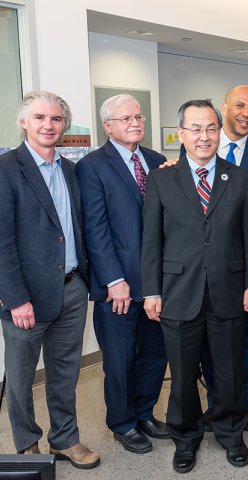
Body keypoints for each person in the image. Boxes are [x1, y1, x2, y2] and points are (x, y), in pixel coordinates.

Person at [141, 100, 248, 472]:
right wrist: (152, 290)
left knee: (228, 372)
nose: (204, 136)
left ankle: (230, 434)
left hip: (228, 290)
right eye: (195, 128)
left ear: (219, 129)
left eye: (211, 127)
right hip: (178, 293)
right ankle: (186, 438)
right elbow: (151, 241)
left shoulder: (240, 177)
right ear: (181, 133)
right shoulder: (162, 178)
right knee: (181, 376)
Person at [0, 91, 99, 468]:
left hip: (73, 289)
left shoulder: (72, 171)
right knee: (22, 381)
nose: (48, 125)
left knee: (65, 373)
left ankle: (65, 439)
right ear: (24, 122)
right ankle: (27, 445)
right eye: (40, 117)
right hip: (26, 296)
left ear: (64, 126)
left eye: (56, 119)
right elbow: (2, 242)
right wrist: (14, 299)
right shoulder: (6, 169)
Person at [76, 94, 169, 454]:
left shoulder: (158, 161)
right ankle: (123, 423)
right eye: (126, 118)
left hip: (158, 284)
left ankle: (144, 414)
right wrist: (115, 281)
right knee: (120, 360)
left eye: (139, 116)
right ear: (108, 125)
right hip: (120, 287)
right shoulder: (93, 165)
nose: (136, 122)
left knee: (154, 355)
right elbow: (95, 230)